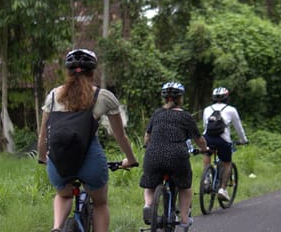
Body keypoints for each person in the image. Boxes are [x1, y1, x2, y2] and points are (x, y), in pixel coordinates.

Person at [36, 48, 138, 232]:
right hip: (90, 161)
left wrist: (43, 157)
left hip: (58, 161)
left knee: (64, 196)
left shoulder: (53, 95)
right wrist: (130, 159)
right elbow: (119, 135)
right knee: (100, 203)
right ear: (93, 72)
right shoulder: (103, 96)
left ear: (67, 73)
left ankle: (57, 227)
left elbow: (43, 135)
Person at [140, 82, 208, 230]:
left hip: (154, 153)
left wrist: (147, 146)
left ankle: (148, 205)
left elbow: (147, 136)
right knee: (185, 186)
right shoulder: (185, 116)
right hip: (177, 155)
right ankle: (184, 218)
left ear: (165, 99)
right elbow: (199, 139)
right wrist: (204, 149)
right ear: (180, 98)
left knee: (150, 183)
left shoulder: (157, 114)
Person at [201, 87, 248, 201]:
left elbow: (205, 126)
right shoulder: (231, 109)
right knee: (227, 163)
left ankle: (206, 178)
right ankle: (223, 189)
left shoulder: (207, 109)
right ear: (226, 98)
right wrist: (243, 140)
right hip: (223, 140)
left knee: (207, 154)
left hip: (207, 138)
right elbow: (238, 128)